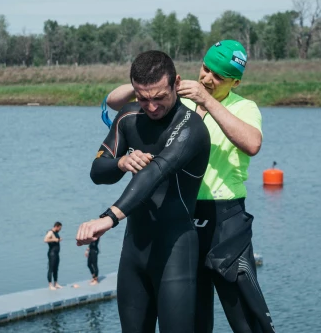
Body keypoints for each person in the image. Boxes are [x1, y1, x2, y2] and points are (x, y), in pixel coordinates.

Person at [106, 40, 275, 333]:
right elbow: (113, 101)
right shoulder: (180, 100)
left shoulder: (244, 107)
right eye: (205, 69)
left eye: (219, 76)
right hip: (184, 218)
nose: (208, 78)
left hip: (226, 220)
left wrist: (208, 102)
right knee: (194, 319)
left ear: (235, 81)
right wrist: (151, 88)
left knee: (247, 317)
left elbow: (252, 143)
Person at [76, 50, 211, 333]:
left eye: (159, 97)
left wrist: (108, 217)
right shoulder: (127, 117)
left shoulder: (191, 127)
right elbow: (97, 171)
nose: (151, 107)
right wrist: (122, 162)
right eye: (142, 97)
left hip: (176, 250)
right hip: (135, 251)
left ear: (176, 83)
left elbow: (155, 172)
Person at [44, 222, 63, 290]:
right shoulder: (50, 232)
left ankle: (56, 283)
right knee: (51, 269)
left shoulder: (56, 233)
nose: (60, 230)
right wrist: (55, 239)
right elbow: (45, 240)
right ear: (56, 226)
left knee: (56, 269)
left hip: (56, 253)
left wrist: (59, 239)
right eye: (60, 228)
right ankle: (50, 285)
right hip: (52, 253)